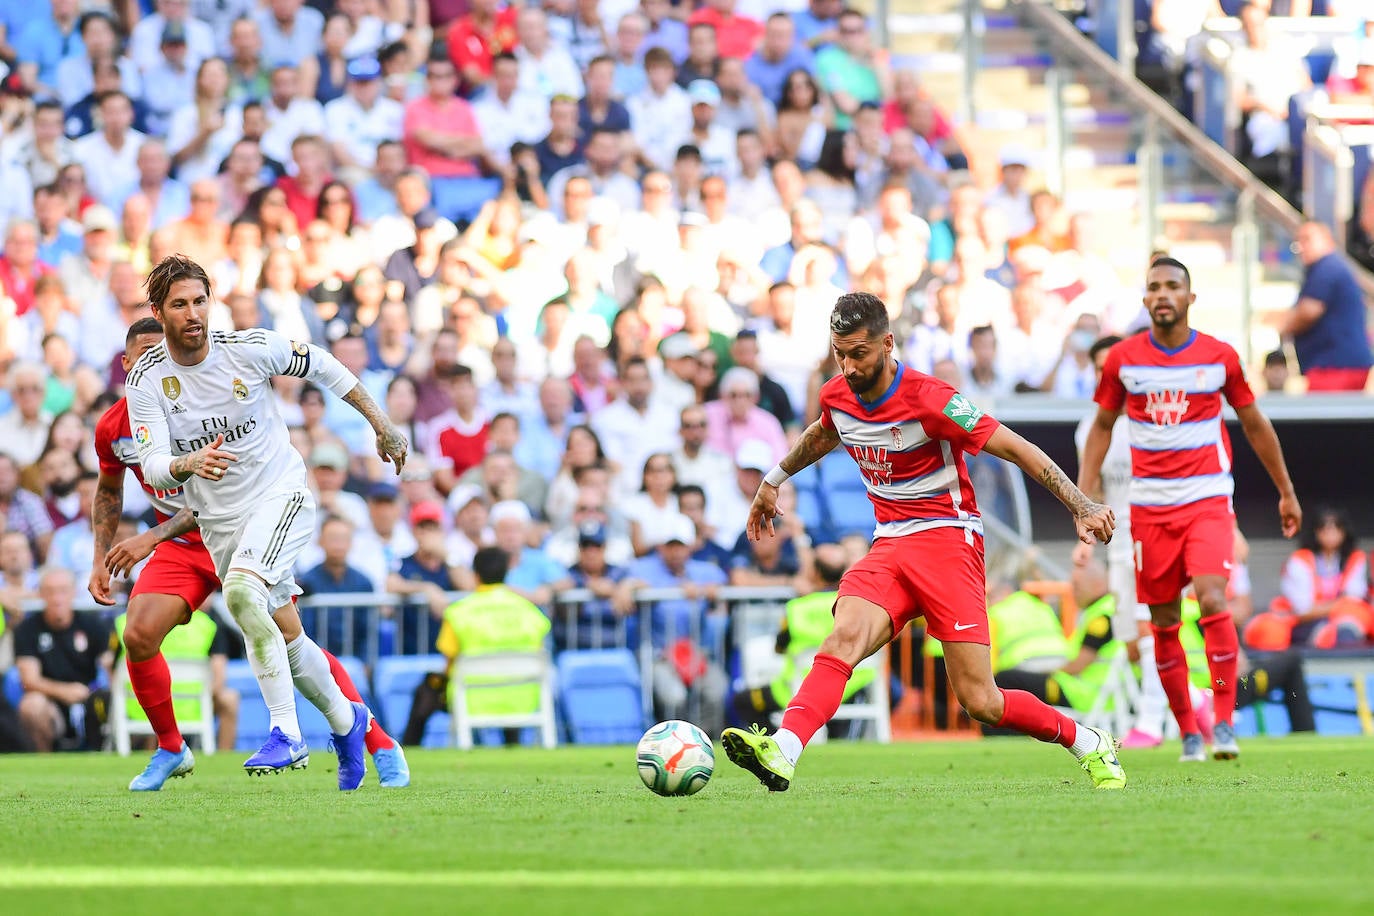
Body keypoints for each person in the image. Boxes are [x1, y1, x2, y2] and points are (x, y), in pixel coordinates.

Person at [720, 291, 1124, 792]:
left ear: (888, 343)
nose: (848, 366)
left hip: (948, 544)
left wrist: (1081, 504)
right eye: (840, 353)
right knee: (843, 637)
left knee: (981, 701)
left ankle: (1087, 741)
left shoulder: (931, 399)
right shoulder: (838, 394)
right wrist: (772, 480)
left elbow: (1016, 448)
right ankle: (783, 749)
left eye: (859, 354)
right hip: (889, 544)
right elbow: (825, 433)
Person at [125, 255, 409, 791]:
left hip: (281, 495)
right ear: (159, 313)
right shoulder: (147, 379)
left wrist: (382, 424)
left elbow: (325, 365)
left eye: (200, 301)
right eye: (180, 304)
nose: (193, 314)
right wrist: (187, 463)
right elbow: (155, 464)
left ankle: (286, 733)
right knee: (286, 633)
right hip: (218, 520)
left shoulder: (249, 349)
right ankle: (353, 725)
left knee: (240, 593)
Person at [1079, 257, 1302, 764]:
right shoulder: (1124, 360)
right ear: (1144, 300)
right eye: (1154, 287)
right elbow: (1100, 427)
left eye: (1172, 286)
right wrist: (1085, 499)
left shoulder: (1218, 356)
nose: (1162, 294)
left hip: (1206, 504)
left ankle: (1223, 720)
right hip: (1149, 513)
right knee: (1162, 623)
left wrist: (1286, 491)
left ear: (1189, 298)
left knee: (1213, 597)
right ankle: (1189, 731)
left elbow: (1254, 423)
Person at [1073, 335, 1168, 750]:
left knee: (1150, 625)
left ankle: (1151, 721)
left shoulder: (1154, 417)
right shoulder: (1089, 429)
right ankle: (1194, 705)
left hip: (1155, 530)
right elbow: (1090, 492)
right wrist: (1086, 539)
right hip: (1118, 541)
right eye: (1098, 368)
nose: (1106, 374)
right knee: (1131, 641)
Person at [401, 546, 551, 747]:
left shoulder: (458, 613)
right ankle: (512, 744)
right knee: (510, 678)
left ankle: (409, 750)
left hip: (472, 699)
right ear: (506, 573)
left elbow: (449, 665)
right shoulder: (530, 612)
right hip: (522, 698)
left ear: (476, 575)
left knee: (426, 690)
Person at [733, 543, 871, 732]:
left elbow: (779, 649)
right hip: (852, 685)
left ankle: (778, 742)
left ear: (814, 573)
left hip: (799, 688)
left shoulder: (797, 608)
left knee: (743, 701)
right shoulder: (858, 606)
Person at [15, 567, 111, 753]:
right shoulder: (27, 629)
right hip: (50, 701)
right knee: (31, 705)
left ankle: (105, 754)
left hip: (90, 696)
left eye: (62, 591)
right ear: (41, 595)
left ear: (73, 593)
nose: (57, 598)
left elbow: (109, 667)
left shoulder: (93, 625)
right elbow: (29, 680)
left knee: (112, 698)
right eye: (50, 591)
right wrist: (65, 691)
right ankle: (45, 763)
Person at [1283, 222, 1374, 392]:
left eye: (1307, 239)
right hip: (1338, 364)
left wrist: (1283, 328)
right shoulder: (1325, 268)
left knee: (1324, 415)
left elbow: (1309, 312)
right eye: (1299, 241)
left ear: (1326, 239)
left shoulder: (1328, 267)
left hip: (1336, 366)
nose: (1302, 246)